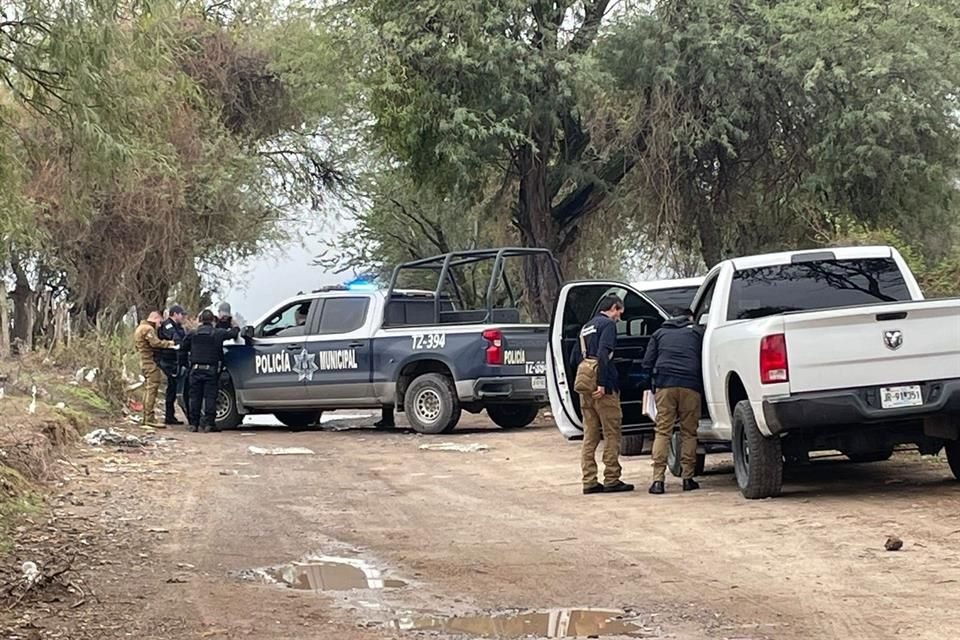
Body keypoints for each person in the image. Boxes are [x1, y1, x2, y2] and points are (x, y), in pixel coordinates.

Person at [641, 308, 705, 495]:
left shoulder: (659, 334)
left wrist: (650, 386)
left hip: (665, 385)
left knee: (662, 432)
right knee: (689, 433)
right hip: (690, 385)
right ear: (689, 318)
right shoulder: (696, 333)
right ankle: (687, 478)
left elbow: (647, 363)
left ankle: (658, 481)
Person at [576, 294, 633, 495]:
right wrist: (602, 383)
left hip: (585, 387)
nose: (619, 318)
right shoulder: (607, 325)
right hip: (603, 387)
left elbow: (577, 357)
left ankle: (589, 480)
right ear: (614, 307)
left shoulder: (586, 327)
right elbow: (603, 353)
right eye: (619, 313)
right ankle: (611, 478)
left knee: (590, 436)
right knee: (611, 432)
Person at [182, 309, 240, 432]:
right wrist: (234, 323)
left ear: (200, 320)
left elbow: (182, 348)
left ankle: (194, 424)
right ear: (213, 321)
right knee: (210, 397)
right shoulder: (218, 333)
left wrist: (186, 365)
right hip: (211, 371)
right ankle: (209, 424)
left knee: (195, 398)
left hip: (195, 369)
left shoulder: (193, 334)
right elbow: (234, 333)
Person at [134, 311, 176, 427]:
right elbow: (155, 343)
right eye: (159, 322)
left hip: (144, 361)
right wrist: (169, 344)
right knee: (152, 388)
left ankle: (146, 416)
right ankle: (149, 418)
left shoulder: (140, 328)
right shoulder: (147, 329)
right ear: (155, 318)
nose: (160, 325)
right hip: (149, 362)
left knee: (148, 389)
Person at [157, 304, 187, 425]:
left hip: (175, 361)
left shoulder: (178, 326)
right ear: (175, 314)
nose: (183, 317)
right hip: (167, 362)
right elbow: (174, 338)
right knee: (171, 388)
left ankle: (170, 416)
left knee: (173, 388)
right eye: (181, 314)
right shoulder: (168, 325)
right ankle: (169, 416)